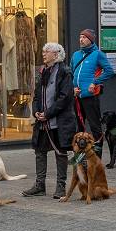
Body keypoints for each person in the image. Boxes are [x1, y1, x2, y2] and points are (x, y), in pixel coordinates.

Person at [23, 42, 77, 199]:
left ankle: (61, 186)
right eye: (43, 51)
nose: (44, 53)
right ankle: (40, 185)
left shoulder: (65, 72)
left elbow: (65, 97)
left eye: (47, 51)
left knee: (60, 152)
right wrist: (37, 112)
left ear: (56, 54)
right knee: (40, 152)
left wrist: (48, 113)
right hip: (43, 121)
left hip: (59, 121)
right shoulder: (42, 71)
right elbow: (36, 95)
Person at [71, 29, 114, 152]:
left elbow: (109, 71)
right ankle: (80, 153)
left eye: (84, 37)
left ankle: (97, 154)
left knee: (95, 126)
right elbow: (71, 73)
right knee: (79, 126)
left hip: (91, 96)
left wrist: (95, 82)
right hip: (77, 96)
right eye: (80, 37)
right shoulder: (76, 55)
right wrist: (73, 87)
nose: (81, 39)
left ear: (90, 40)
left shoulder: (98, 54)